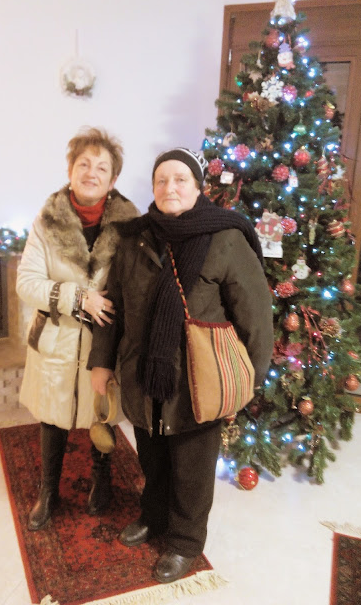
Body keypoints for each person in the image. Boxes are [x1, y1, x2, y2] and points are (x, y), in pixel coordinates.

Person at [89, 148, 273, 583]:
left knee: (192, 469)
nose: (169, 187)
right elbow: (114, 306)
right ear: (153, 187)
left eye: (180, 179)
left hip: (197, 381)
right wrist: (102, 363)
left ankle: (186, 542)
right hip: (143, 373)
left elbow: (255, 316)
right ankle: (153, 516)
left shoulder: (225, 237)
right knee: (152, 456)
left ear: (197, 186)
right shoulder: (134, 238)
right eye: (161, 180)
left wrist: (247, 381)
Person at [16, 126, 138, 530]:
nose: (91, 173)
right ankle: (49, 490)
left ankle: (102, 477)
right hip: (57, 338)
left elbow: (135, 284)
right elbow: (26, 283)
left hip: (105, 340)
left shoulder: (130, 225)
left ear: (113, 179)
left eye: (102, 167)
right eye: (84, 164)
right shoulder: (46, 221)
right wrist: (78, 297)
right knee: (53, 416)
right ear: (70, 170)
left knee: (101, 412)